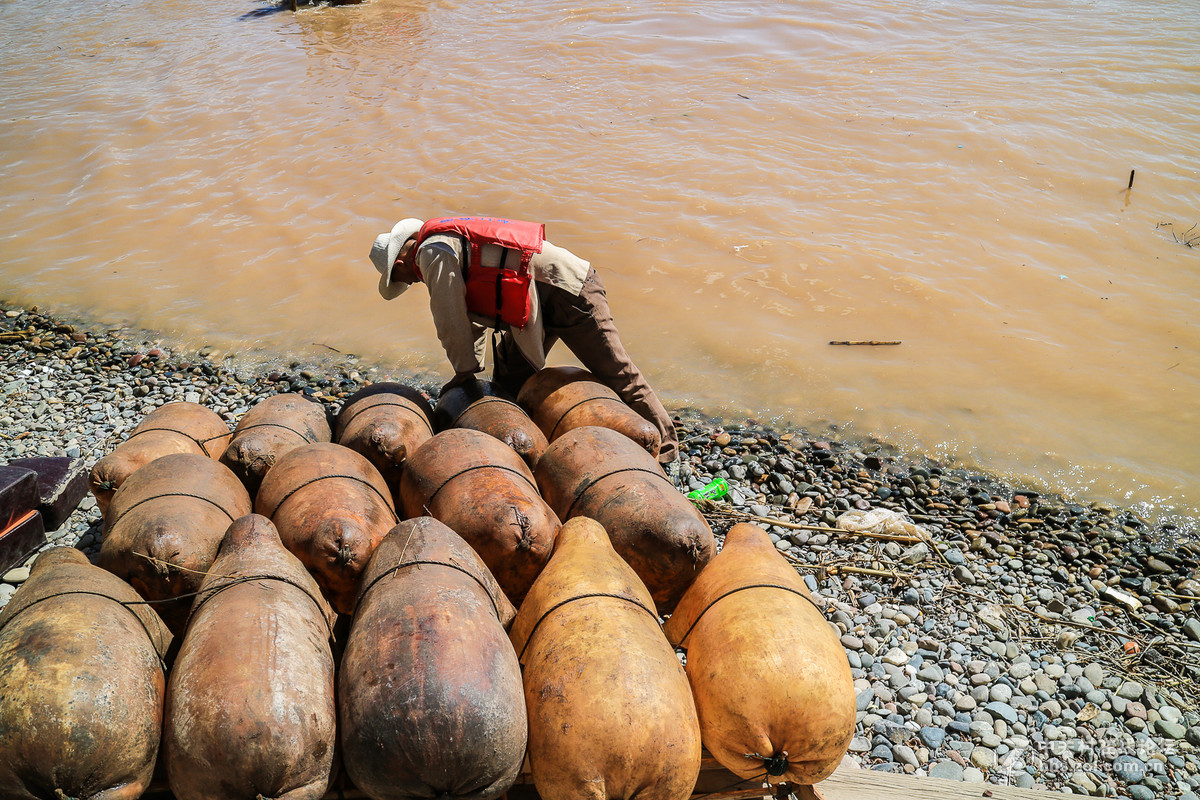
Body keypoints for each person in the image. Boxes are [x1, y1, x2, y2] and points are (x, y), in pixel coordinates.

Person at [369, 215, 679, 468]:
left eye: (406, 281)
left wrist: (464, 373)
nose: (413, 282)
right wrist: (469, 367)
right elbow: (467, 315)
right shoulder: (444, 242)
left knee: (617, 372)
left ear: (399, 265)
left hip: (567, 290)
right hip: (532, 302)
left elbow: (450, 319)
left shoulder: (432, 252)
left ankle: (667, 453)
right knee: (509, 378)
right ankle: (528, 452)